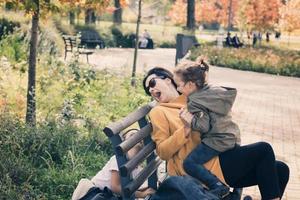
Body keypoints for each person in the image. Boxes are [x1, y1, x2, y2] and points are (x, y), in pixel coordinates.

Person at [142, 66, 289, 200]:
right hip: (200, 170)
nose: (151, 90)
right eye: (148, 90)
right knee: (263, 149)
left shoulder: (194, 97)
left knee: (281, 170)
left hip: (218, 158)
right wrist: (185, 129)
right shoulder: (159, 111)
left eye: (152, 83)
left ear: (167, 80)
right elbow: (162, 152)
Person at [172, 58, 240, 198]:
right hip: (232, 135)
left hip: (217, 139)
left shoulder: (194, 101)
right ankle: (236, 192)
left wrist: (189, 121)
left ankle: (218, 186)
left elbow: (204, 126)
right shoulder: (212, 91)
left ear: (190, 84)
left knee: (190, 163)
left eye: (179, 85)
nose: (178, 89)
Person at [72, 129, 155, 200]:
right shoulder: (118, 160)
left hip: (109, 196)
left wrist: (145, 189)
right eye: (133, 135)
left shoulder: (136, 167)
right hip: (96, 193)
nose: (137, 137)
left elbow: (130, 187)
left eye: (140, 137)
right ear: (124, 143)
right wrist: (140, 195)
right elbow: (115, 187)